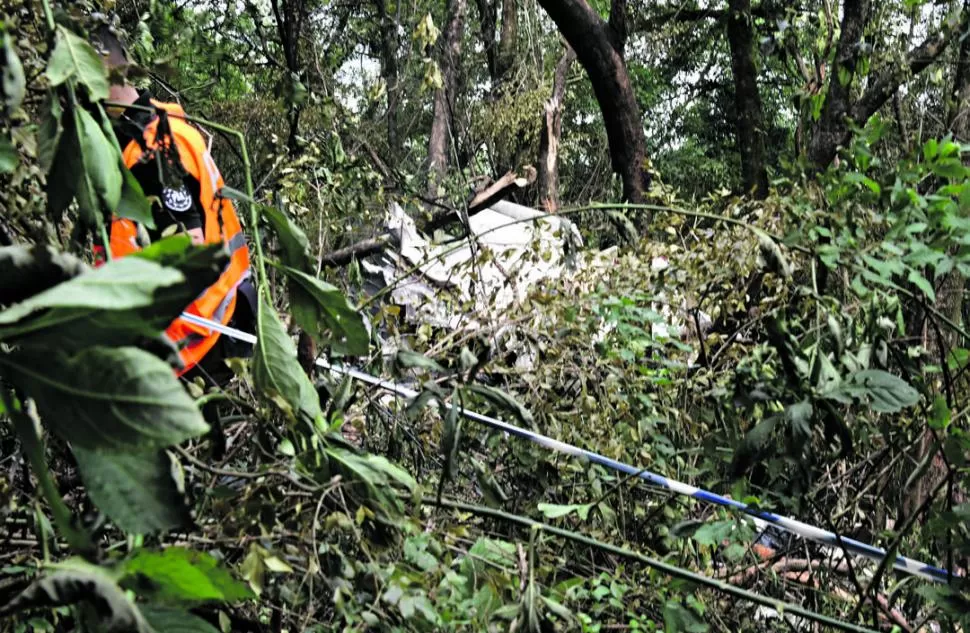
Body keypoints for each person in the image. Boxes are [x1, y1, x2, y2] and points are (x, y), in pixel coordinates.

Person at [90, 24, 257, 388]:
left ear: (103, 70)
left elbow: (189, 254)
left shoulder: (154, 150)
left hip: (199, 343)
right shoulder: (164, 124)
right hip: (212, 328)